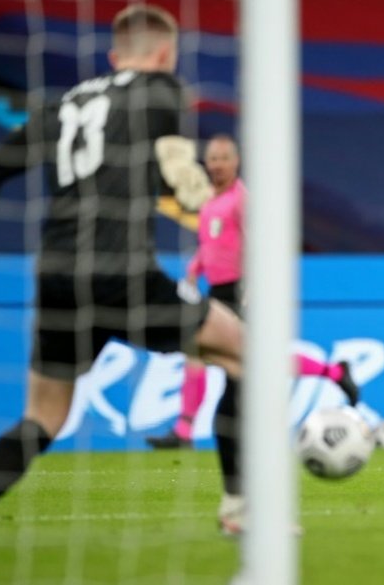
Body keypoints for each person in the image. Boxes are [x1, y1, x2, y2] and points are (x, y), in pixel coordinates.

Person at [0, 4, 248, 539]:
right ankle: (239, 505)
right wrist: (183, 172)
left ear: (114, 56)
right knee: (245, 355)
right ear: (164, 53)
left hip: (56, 275)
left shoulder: (63, 105)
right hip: (123, 270)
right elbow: (172, 155)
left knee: (43, 416)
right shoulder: (162, 90)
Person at [145, 134, 358, 449]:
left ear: (236, 162)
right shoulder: (210, 202)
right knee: (195, 353)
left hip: (240, 290)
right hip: (216, 290)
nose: (216, 165)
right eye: (213, 159)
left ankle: (333, 372)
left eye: (223, 158)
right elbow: (212, 245)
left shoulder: (242, 199)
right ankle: (184, 432)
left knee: (256, 360)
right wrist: (193, 271)